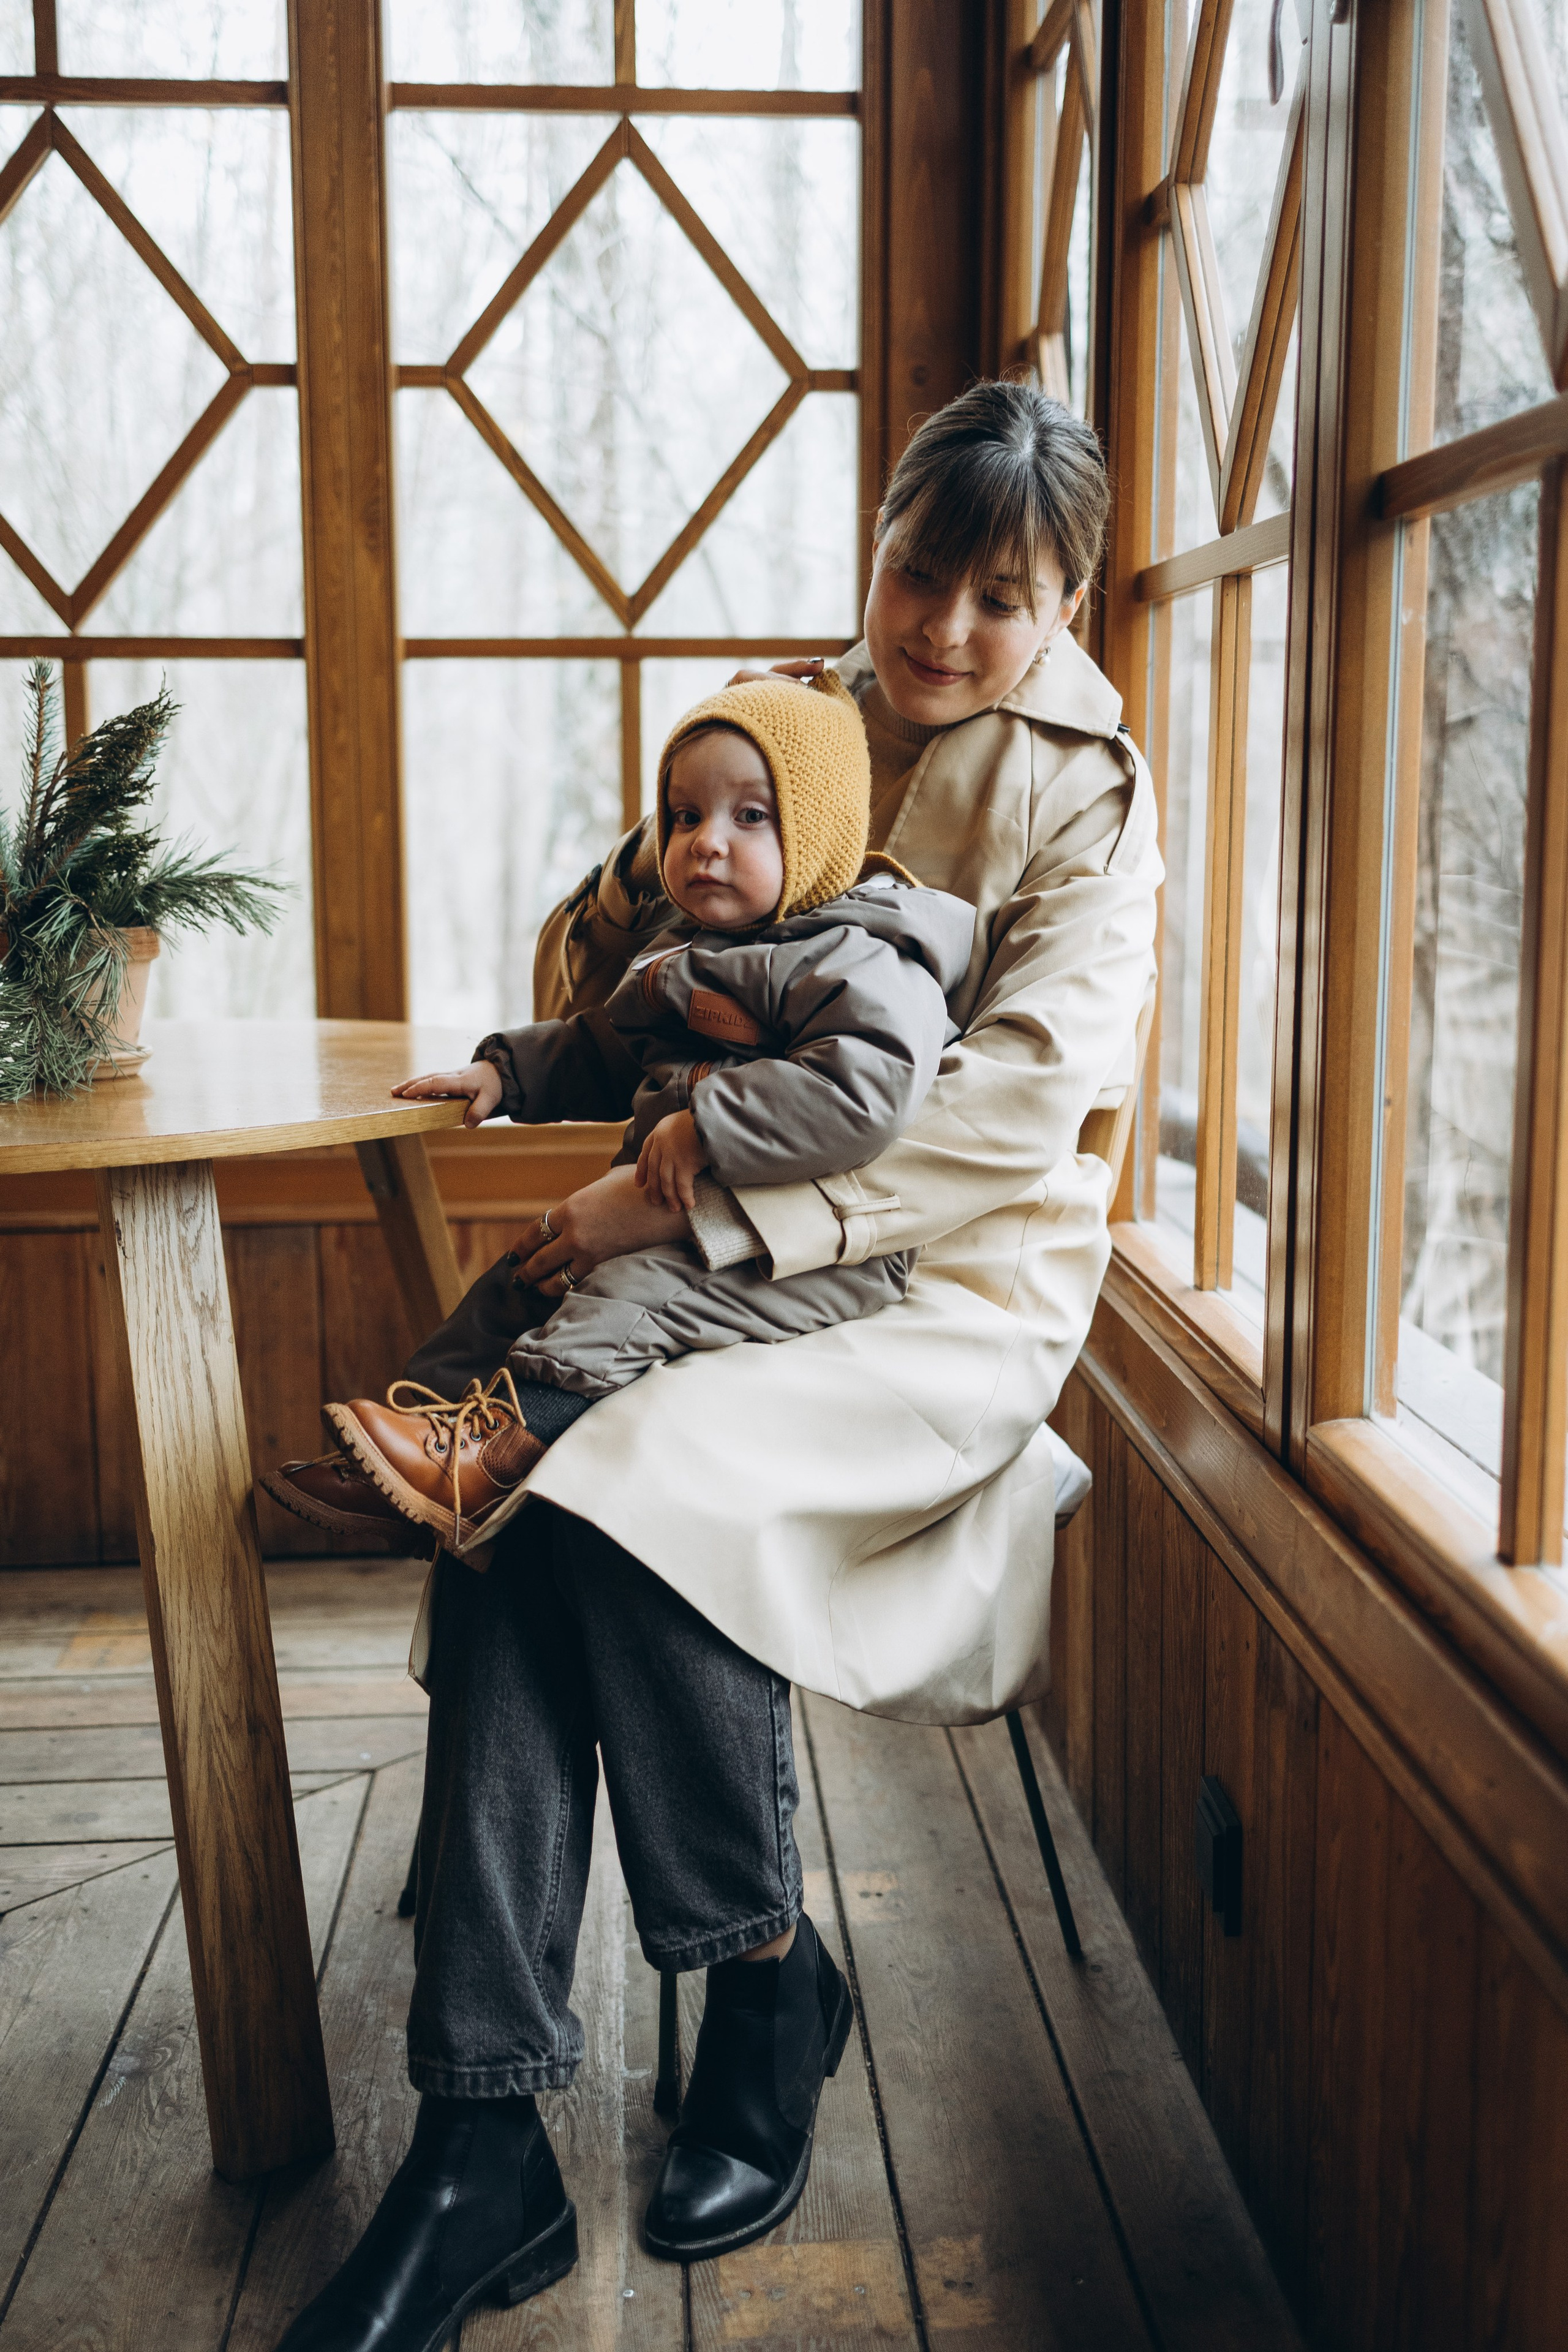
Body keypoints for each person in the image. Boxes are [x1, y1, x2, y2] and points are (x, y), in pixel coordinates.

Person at [269, 382, 1161, 2352]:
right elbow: (599, 979)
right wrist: (659, 871)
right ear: (878, 540)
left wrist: (679, 1188)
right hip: (685, 1246)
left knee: (589, 1481)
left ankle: (739, 1995)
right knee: (531, 1494)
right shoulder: (787, 724)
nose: (942, 629)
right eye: (920, 570)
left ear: (1067, 605)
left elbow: (1013, 1116)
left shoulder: (1090, 798)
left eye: (1001, 599)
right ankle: (488, 2133)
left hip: (947, 1289)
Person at [271, 669, 975, 1553]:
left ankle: (488, 1459)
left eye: (749, 817)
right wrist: (505, 1075)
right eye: (684, 816)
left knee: (628, 1299)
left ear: (820, 834)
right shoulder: (682, 950)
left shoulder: (859, 958)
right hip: (678, 1219)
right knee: (518, 1280)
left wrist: (709, 1122)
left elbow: (863, 1091)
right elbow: (605, 1048)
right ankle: (420, 1443)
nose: (706, 842)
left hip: (803, 1249)